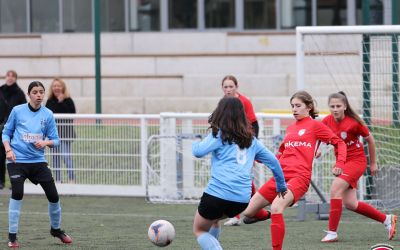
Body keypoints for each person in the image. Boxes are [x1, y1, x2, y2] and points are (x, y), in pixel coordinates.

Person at [241, 91, 347, 250]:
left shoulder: (315, 125)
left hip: (299, 177)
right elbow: (281, 152)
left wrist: (339, 163)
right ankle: (269, 216)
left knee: (277, 206)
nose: (294, 109)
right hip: (280, 177)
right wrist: (262, 159)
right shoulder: (290, 129)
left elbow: (339, 143)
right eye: (292, 106)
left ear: (309, 107)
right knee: (248, 212)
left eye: (298, 106)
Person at [192, 96, 287, 250]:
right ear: (242, 115)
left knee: (199, 229)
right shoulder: (251, 140)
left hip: (217, 195)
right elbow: (274, 163)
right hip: (241, 200)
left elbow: (198, 152)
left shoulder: (219, 135)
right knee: (214, 220)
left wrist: (197, 142)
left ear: (220, 113)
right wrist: (281, 186)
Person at [319, 91, 397, 242]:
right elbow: (319, 138)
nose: (335, 109)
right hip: (342, 162)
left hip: (356, 161)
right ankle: (387, 219)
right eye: (332, 106)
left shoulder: (354, 122)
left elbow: (371, 140)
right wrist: (318, 151)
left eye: (338, 106)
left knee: (335, 188)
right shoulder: (327, 121)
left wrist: (373, 162)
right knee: (351, 204)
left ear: (345, 106)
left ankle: (332, 232)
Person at [2, 81, 73, 248]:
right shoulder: (17, 111)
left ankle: (56, 230)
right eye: (35, 92)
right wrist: (8, 150)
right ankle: (12, 236)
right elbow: (6, 133)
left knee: (54, 196)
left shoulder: (47, 114)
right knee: (18, 192)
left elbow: (55, 140)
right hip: (16, 160)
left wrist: (45, 143)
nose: (39, 95)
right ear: (29, 94)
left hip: (38, 162)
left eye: (41, 92)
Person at [220, 75, 268, 226]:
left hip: (244, 144)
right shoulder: (223, 102)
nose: (228, 89)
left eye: (230, 86)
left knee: (241, 178)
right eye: (225, 87)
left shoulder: (244, 101)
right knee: (239, 178)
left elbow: (254, 124)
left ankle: (252, 212)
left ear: (236, 87)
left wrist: (251, 148)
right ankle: (255, 212)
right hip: (231, 146)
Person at [45, 78, 76, 183]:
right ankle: (58, 180)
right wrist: (58, 102)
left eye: (59, 86)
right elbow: (49, 114)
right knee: (55, 159)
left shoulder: (68, 100)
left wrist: (61, 102)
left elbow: (71, 115)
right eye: (54, 86)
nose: (56, 88)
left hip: (65, 133)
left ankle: (72, 179)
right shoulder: (49, 101)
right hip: (53, 135)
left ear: (63, 87)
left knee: (66, 157)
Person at [0, 70, 26, 189]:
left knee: (13, 156)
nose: (10, 78)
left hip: (13, 128)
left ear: (16, 78)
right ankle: (1, 182)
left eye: (13, 76)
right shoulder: (1, 90)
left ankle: (14, 181)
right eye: (8, 76)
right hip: (1, 126)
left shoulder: (19, 93)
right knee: (0, 156)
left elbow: (23, 111)